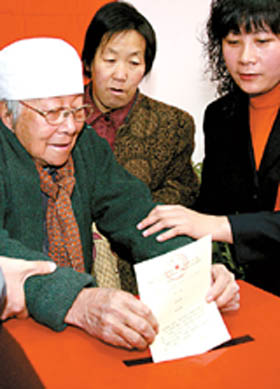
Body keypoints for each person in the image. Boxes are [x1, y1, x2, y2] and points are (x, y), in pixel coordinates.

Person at [0, 37, 239, 351]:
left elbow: (135, 213)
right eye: (53, 113)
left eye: (76, 109)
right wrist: (76, 299)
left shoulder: (86, 147)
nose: (70, 126)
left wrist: (190, 266)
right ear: (7, 114)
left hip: (73, 331)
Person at [138, 0, 280, 296]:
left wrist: (214, 225)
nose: (245, 57)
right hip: (257, 291)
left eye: (262, 41)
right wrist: (212, 266)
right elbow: (210, 206)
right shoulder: (221, 116)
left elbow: (212, 222)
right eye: (233, 41)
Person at [81, 1, 200, 291]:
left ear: (146, 67)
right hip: (71, 273)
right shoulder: (59, 120)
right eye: (110, 60)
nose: (120, 74)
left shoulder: (173, 124)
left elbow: (183, 190)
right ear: (88, 61)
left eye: (134, 62)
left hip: (146, 276)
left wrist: (129, 213)